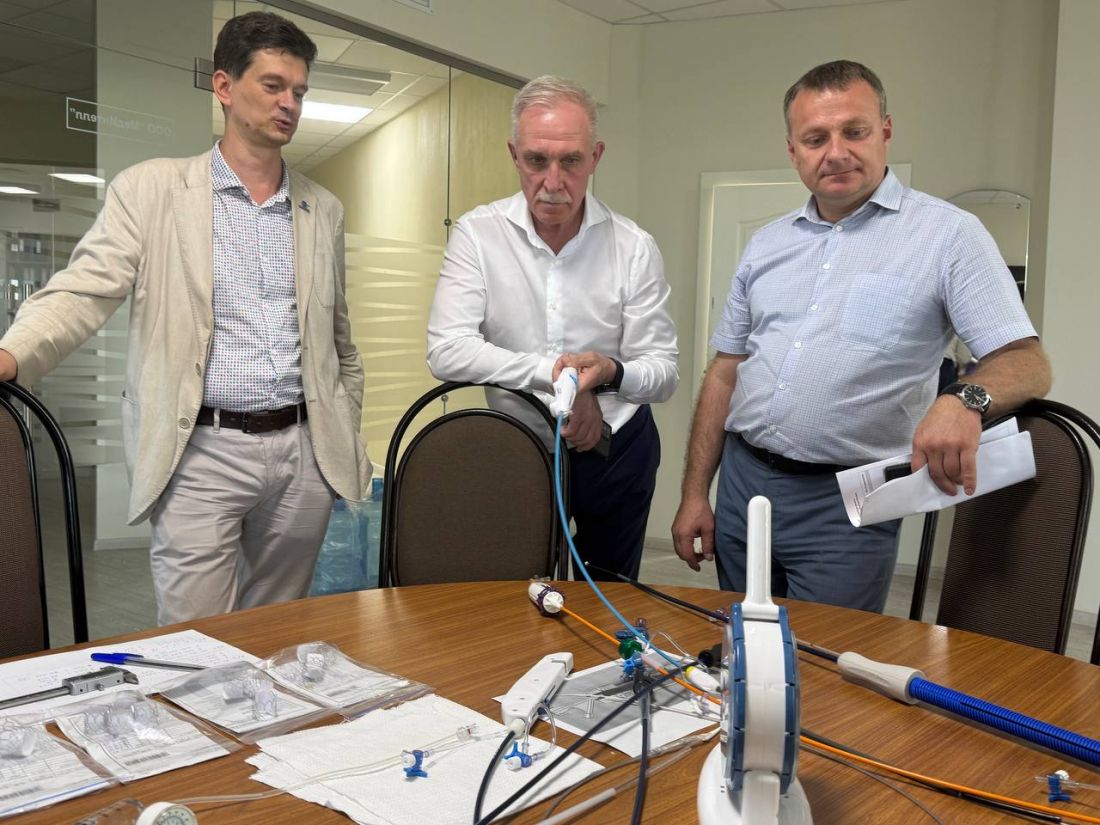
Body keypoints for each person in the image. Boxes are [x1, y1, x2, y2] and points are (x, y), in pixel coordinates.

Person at [0, 11, 371, 624]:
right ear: (224, 86)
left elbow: (339, 343)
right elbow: (84, 290)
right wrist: (12, 355)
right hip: (202, 450)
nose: (289, 104)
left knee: (276, 630)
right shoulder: (151, 190)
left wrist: (342, 429)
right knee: (196, 641)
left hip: (302, 454)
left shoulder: (322, 209)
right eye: (273, 85)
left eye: (299, 91)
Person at [671, 60, 1051, 612]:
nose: (836, 152)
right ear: (793, 151)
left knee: (824, 653)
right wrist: (693, 494)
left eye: (855, 131)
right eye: (815, 138)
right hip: (742, 485)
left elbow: (1028, 361)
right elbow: (725, 370)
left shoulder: (948, 236)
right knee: (744, 640)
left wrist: (962, 399)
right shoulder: (766, 244)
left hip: (846, 506)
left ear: (885, 132)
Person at [427, 75, 678, 581]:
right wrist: (557, 377)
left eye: (571, 161)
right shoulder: (478, 235)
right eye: (537, 160)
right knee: (516, 588)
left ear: (596, 157)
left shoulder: (632, 246)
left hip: (618, 446)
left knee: (610, 591)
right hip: (519, 446)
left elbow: (663, 372)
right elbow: (447, 351)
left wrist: (607, 374)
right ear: (514, 155)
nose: (553, 181)